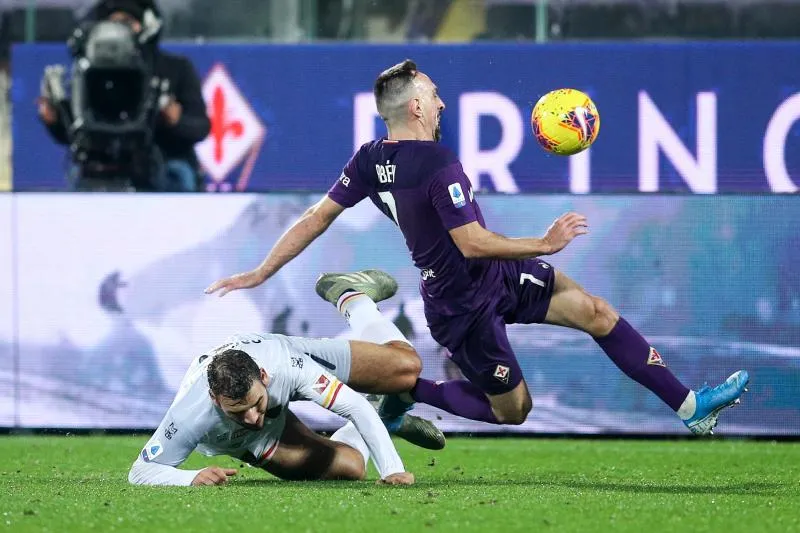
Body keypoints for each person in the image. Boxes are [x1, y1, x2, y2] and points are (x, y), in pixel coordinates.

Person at [204, 59, 749, 437]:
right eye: (435, 95)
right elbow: (471, 242)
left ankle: (689, 407)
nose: (442, 103)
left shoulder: (370, 158)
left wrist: (259, 271)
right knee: (515, 411)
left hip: (494, 279)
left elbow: (314, 217)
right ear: (416, 106)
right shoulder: (439, 163)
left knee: (596, 312)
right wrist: (545, 242)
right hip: (461, 306)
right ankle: (408, 392)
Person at [129, 270, 444, 486]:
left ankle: (352, 296)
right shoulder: (190, 414)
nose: (252, 417)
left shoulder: (285, 365)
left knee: (404, 368)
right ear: (215, 399)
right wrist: (189, 477)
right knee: (352, 467)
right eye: (237, 411)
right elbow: (142, 470)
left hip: (289, 351)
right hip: (250, 443)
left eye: (255, 404)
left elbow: (352, 406)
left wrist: (392, 469)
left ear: (264, 378)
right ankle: (386, 415)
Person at [38, 0, 210, 191]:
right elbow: (76, 134)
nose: (118, 32)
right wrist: (55, 120)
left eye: (127, 23)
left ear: (146, 26)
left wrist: (175, 121)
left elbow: (200, 127)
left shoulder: (175, 68)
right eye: (112, 25)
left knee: (179, 174)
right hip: (103, 163)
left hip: (163, 162)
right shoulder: (90, 72)